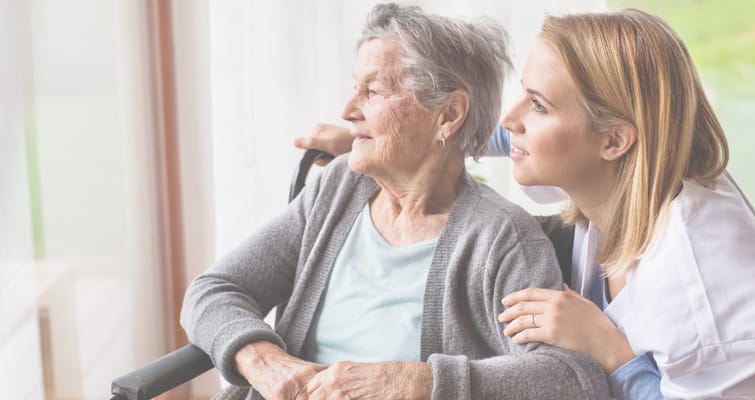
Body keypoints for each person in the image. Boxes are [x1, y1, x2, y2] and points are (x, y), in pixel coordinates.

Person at [295, 8, 755, 400]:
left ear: (615, 139)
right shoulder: (630, 176)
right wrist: (396, 137)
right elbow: (510, 134)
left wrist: (609, 349)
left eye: (538, 105)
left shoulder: (711, 294)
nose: (512, 119)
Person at [181, 4, 608, 400]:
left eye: (374, 92)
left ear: (448, 114)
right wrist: (265, 362)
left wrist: (417, 380)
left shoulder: (498, 239)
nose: (348, 110)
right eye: (355, 88)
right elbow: (214, 290)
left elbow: (572, 377)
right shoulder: (337, 191)